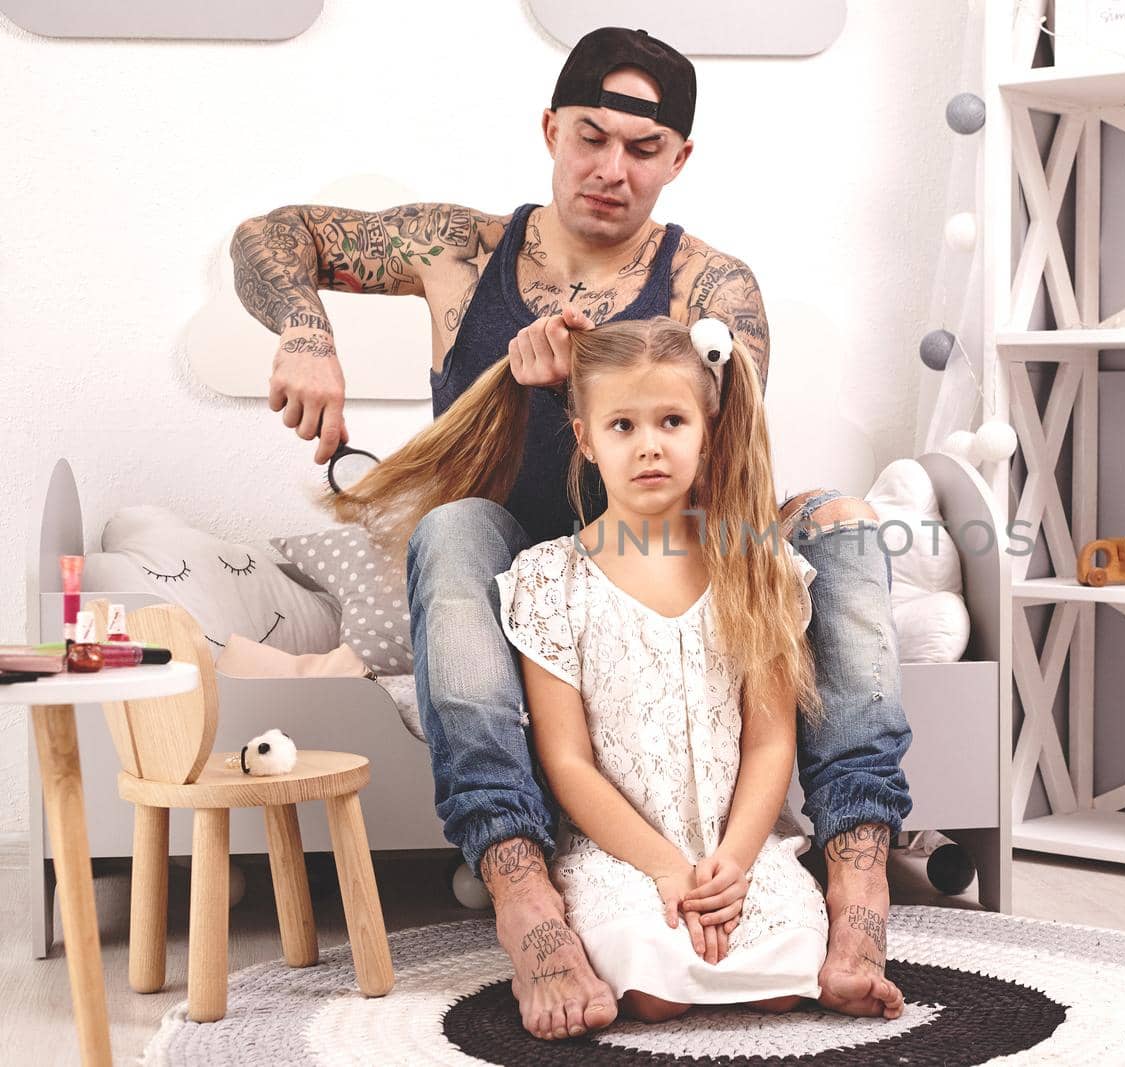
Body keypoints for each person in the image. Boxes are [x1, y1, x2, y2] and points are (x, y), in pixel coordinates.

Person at [229, 26, 912, 1039]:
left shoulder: (709, 290)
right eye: (590, 137)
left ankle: (859, 885)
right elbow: (270, 234)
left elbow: (724, 472)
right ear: (550, 128)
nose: (611, 169)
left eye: (643, 149)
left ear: (679, 159)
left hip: (666, 547)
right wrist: (304, 332)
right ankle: (522, 890)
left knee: (851, 525)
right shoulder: (457, 252)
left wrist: (624, 380)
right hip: (520, 552)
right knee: (453, 529)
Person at [348, 315, 834, 1027]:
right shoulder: (549, 581)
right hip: (621, 852)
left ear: (707, 425)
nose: (649, 447)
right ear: (585, 439)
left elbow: (770, 741)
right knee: (653, 991)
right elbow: (568, 761)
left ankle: (744, 898)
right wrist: (666, 866)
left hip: (736, 843)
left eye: (671, 420)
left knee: (786, 982)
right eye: (623, 427)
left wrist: (733, 858)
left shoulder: (755, 568)